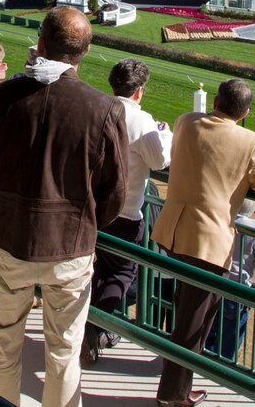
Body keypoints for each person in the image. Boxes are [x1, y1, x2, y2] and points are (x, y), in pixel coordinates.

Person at [0, 5, 129, 407]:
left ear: (40, 43)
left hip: (10, 242)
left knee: (3, 347)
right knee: (64, 353)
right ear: (85, 52)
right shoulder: (105, 109)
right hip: (70, 248)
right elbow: (114, 194)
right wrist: (84, 221)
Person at [153, 78, 255, 407]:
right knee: (193, 324)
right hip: (208, 244)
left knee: (185, 315)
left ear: (215, 100)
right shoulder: (251, 141)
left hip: (173, 233)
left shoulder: (186, 121)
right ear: (245, 113)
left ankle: (175, 385)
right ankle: (172, 395)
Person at [81, 57, 172, 366]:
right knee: (122, 272)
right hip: (126, 214)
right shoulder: (142, 119)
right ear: (140, 91)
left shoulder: (96, 106)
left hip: (93, 210)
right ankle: (95, 324)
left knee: (100, 270)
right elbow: (160, 162)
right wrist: (166, 135)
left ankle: (94, 326)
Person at [203, 199, 255, 360]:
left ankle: (204, 365)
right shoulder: (254, 228)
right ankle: (219, 371)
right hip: (237, 291)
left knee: (209, 332)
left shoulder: (219, 216)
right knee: (229, 341)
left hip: (213, 284)